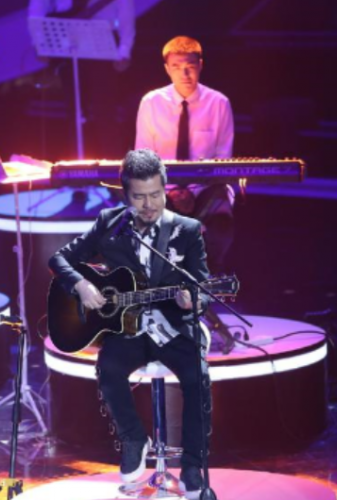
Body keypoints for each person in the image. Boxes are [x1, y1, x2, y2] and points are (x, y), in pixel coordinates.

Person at [49, 149, 211, 499]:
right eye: (140, 197)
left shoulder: (187, 230)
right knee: (108, 369)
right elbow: (59, 258)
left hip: (173, 327)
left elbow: (201, 285)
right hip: (127, 330)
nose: (149, 204)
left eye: (156, 194)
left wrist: (195, 300)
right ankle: (134, 438)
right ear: (126, 195)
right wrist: (81, 284)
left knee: (197, 376)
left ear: (166, 189)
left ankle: (195, 465)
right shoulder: (109, 222)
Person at [135, 35, 236, 352]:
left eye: (191, 67)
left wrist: (192, 190)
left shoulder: (218, 103)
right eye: (177, 67)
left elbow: (224, 161)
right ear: (167, 68)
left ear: (201, 66)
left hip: (205, 189)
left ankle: (203, 304)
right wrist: (173, 191)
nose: (185, 74)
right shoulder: (151, 102)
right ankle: (161, 315)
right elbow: (143, 157)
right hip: (163, 190)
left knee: (218, 218)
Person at [27, 0, 135, 158]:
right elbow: (37, 9)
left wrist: (124, 50)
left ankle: (113, 168)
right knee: (74, 112)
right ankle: (78, 166)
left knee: (105, 112)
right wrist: (40, 42)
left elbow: (126, 12)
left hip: (102, 43)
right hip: (68, 44)